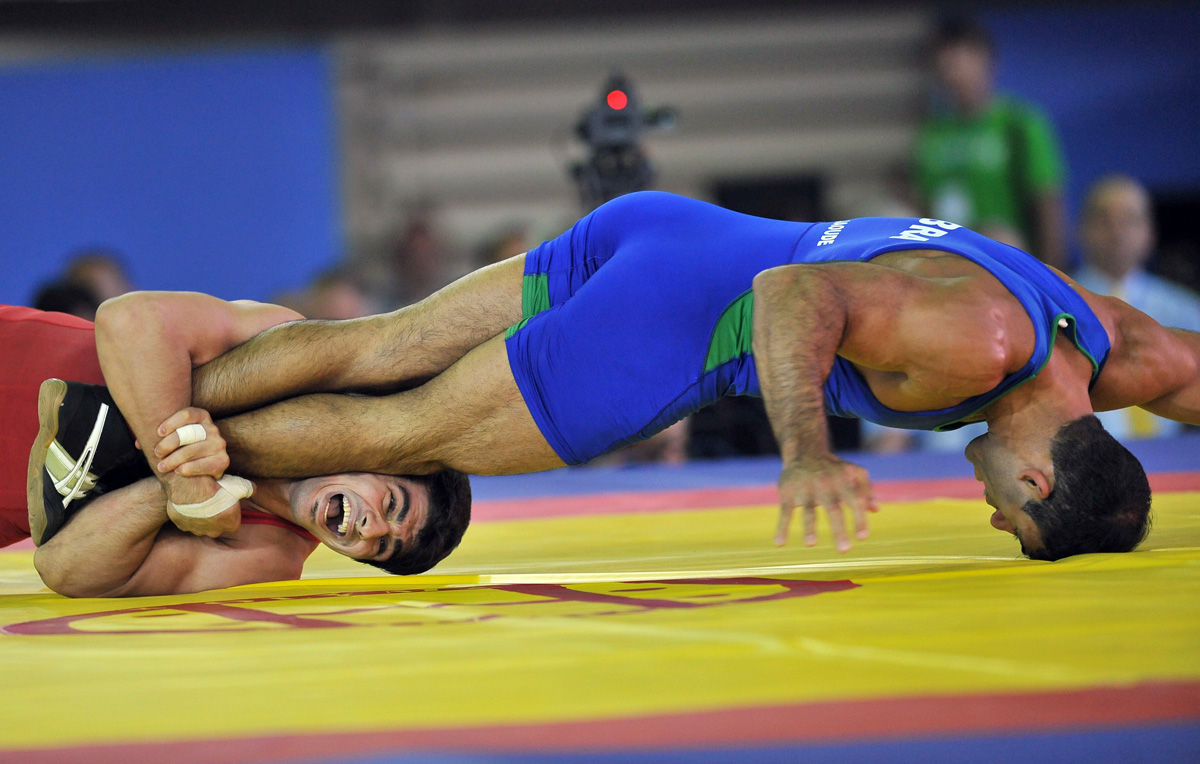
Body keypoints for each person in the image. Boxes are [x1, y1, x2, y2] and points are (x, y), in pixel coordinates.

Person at [48, 192, 1197, 567]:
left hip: (664, 226)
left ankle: (141, 402)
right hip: (681, 320)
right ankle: (142, 444)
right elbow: (793, 298)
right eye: (1014, 519)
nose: (991, 514)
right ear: (1042, 476)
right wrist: (805, 450)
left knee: (380, 343)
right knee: (401, 432)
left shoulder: (1112, 343)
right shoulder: (982, 347)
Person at [12, 298, 470, 597]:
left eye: (382, 546)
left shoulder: (268, 555)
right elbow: (130, 319)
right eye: (390, 504)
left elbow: (63, 568)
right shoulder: (301, 360)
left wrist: (182, 486)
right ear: (383, 453)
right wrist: (184, 479)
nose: (370, 530)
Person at [914, 19, 1069, 270]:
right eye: (943, 67)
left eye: (957, 64)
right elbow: (925, 204)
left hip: (1010, 264)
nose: (950, 76)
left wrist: (1051, 275)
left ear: (984, 60)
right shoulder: (932, 134)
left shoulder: (1020, 124)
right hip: (949, 264)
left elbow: (1047, 203)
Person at [1073, 175, 1200, 439]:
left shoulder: (1186, 311)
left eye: (1130, 219)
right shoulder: (1056, 309)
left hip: (1177, 455)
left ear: (1150, 232)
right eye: (1104, 219)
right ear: (1081, 229)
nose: (1117, 231)